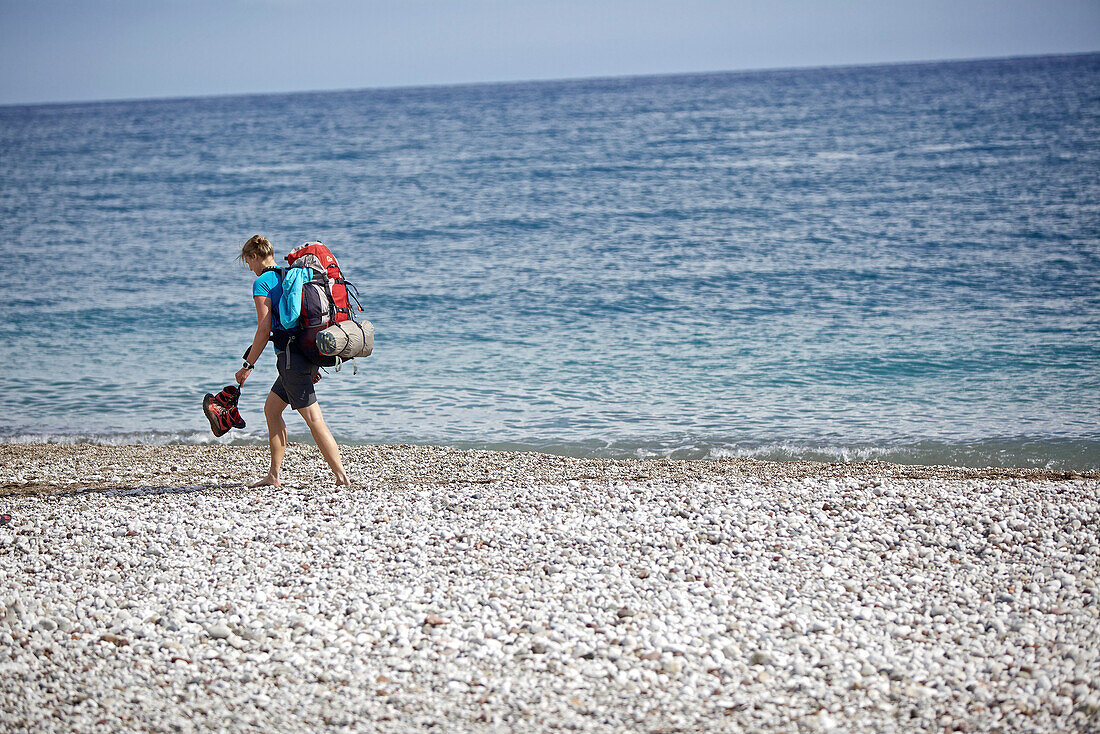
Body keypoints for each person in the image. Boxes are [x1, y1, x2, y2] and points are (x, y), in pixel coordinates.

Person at [235, 234, 351, 488]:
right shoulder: (290, 275)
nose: (250, 269)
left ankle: (342, 478)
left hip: (290, 360)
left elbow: (264, 331)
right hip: (303, 355)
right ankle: (274, 476)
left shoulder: (263, 283)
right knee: (272, 409)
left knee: (313, 418)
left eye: (248, 263)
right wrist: (312, 363)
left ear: (254, 257)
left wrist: (247, 366)